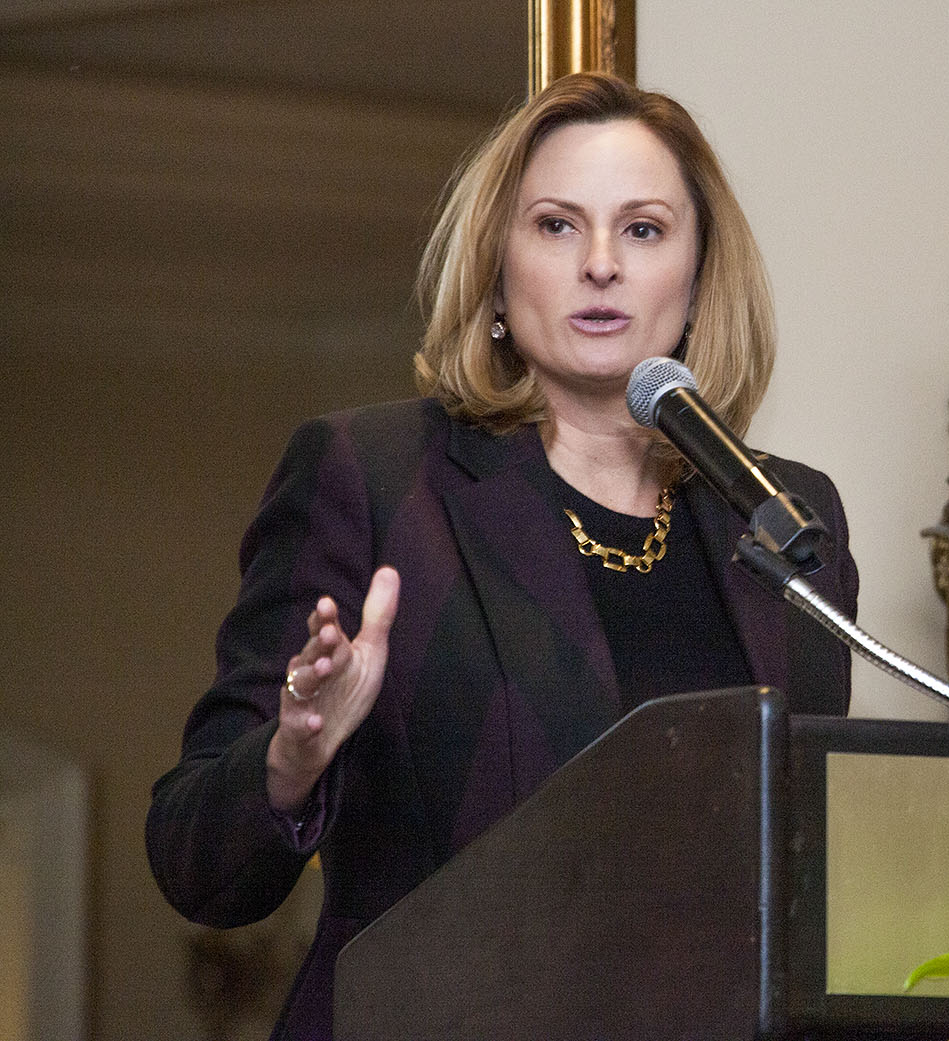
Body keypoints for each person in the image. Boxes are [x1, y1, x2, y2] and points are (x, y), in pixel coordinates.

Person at [146, 72, 858, 1040]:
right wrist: (293, 757)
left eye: (643, 230)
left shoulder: (782, 515)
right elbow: (195, 862)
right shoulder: (377, 477)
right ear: (495, 267)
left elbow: (811, 874)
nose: (600, 264)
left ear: (697, 277)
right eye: (557, 226)